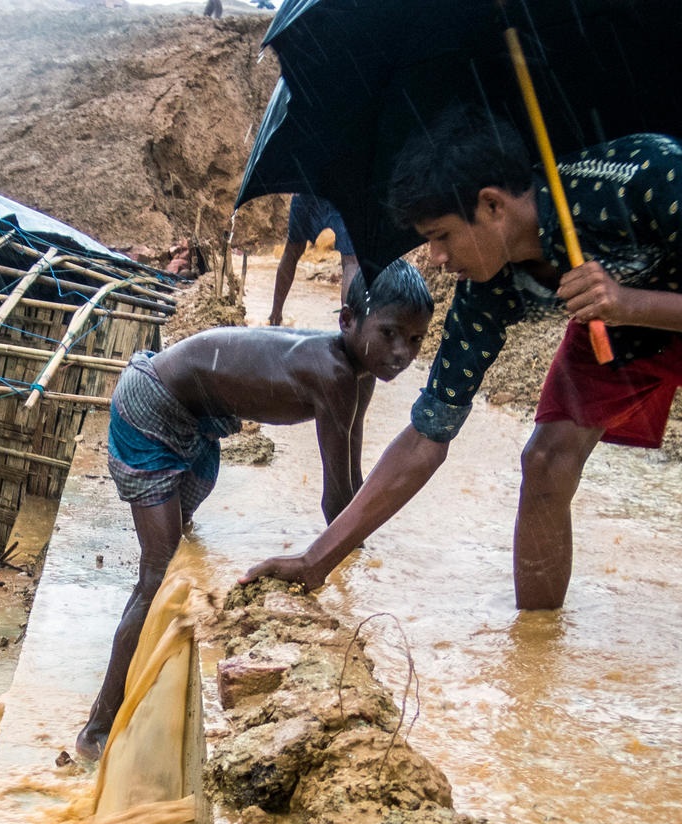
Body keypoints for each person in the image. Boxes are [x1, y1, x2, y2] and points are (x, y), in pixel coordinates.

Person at [244, 114, 682, 641]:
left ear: (492, 205)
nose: (436, 257)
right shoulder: (489, 286)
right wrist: (317, 558)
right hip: (619, 315)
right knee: (544, 460)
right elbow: (428, 434)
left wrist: (628, 300)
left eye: (442, 236)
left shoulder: (647, 176)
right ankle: (537, 652)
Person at [76, 259, 434, 761]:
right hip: (153, 405)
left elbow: (350, 480)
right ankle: (97, 727)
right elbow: (336, 500)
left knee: (181, 540)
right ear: (347, 320)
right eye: (391, 333)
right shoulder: (334, 373)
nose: (401, 353)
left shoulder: (360, 371)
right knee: (158, 571)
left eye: (416, 340)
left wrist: (359, 542)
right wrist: (369, 576)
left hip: (201, 420)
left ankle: (148, 676)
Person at [269, 194, 362, 326]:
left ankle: (275, 316)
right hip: (343, 191)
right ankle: (347, 325)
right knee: (351, 262)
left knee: (291, 252)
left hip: (307, 188)